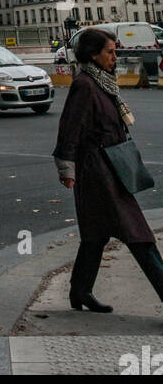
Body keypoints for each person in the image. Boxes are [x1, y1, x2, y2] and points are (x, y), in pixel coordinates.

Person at [53, 27, 163, 312]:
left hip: (108, 166)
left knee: (95, 235)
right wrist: (68, 169)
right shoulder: (85, 85)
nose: (116, 57)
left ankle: (80, 292)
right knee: (140, 236)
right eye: (110, 52)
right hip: (98, 172)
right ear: (94, 54)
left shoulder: (101, 82)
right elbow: (69, 128)